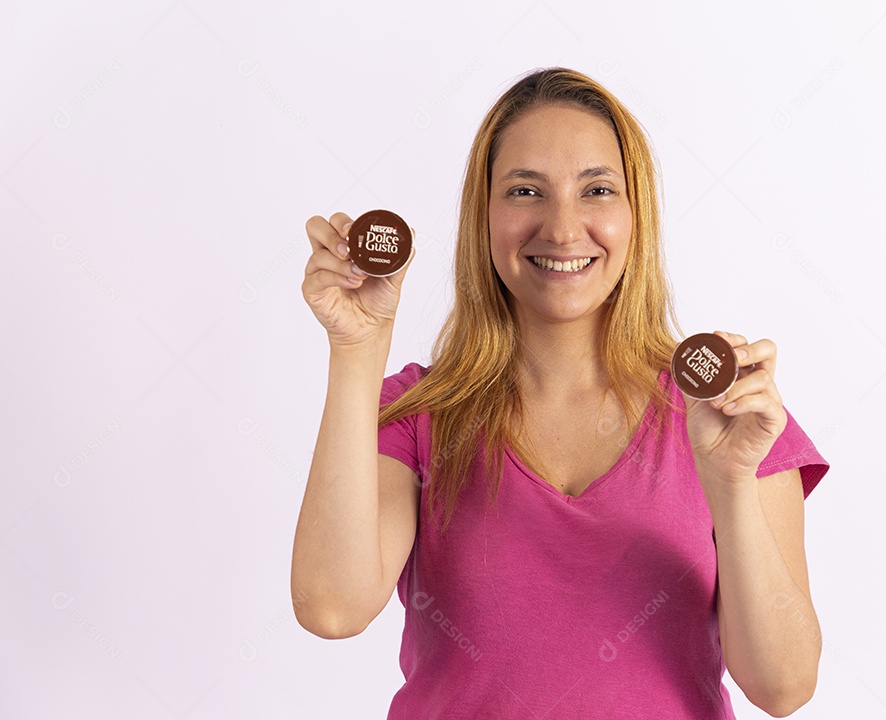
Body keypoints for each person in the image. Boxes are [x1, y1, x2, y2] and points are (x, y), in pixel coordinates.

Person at [292, 67, 830, 719]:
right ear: (484, 215)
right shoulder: (417, 416)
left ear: (637, 215)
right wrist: (357, 348)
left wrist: (731, 483)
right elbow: (331, 605)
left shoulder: (727, 411)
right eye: (526, 191)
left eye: (596, 189)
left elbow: (784, 687)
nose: (563, 228)